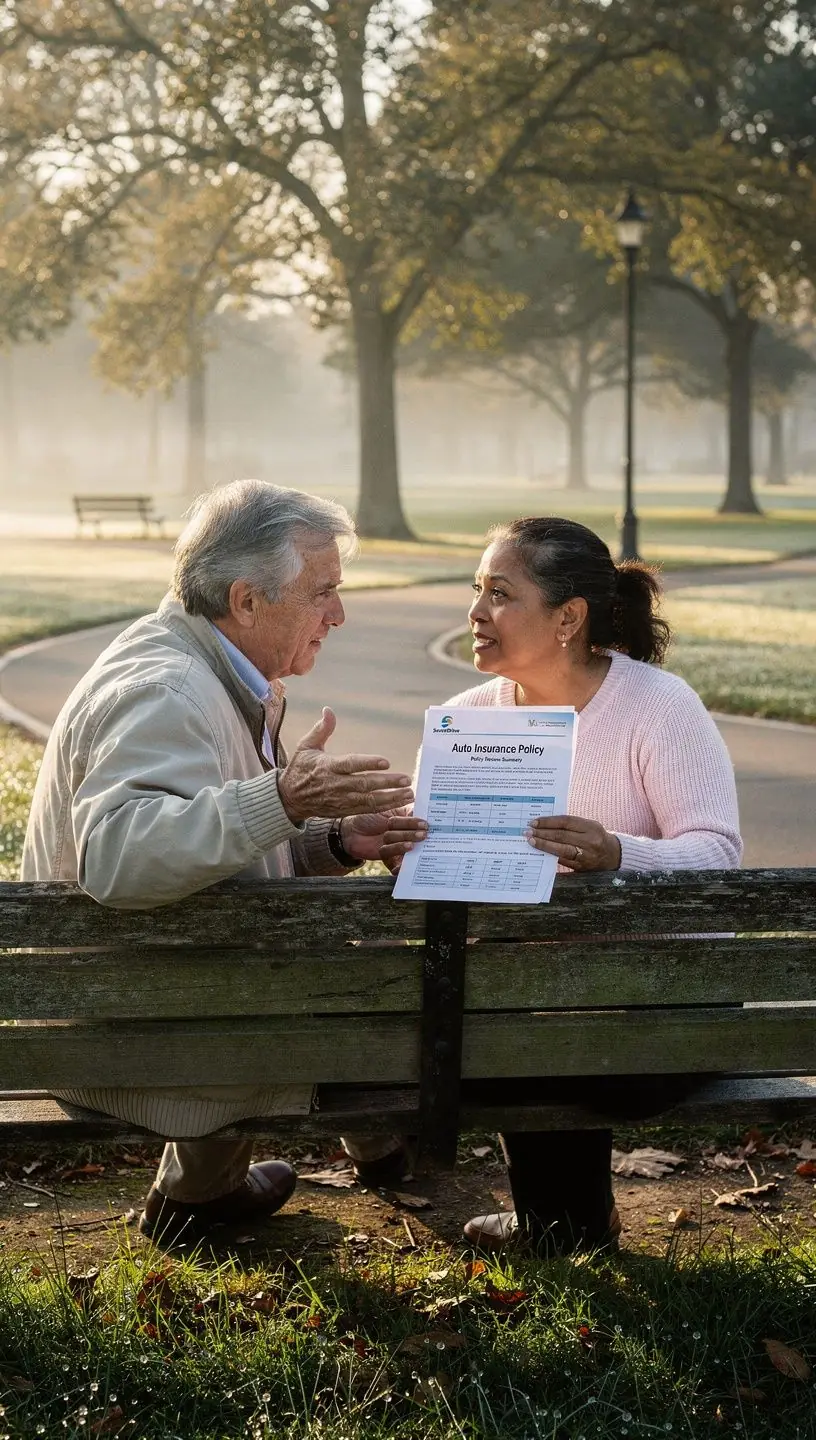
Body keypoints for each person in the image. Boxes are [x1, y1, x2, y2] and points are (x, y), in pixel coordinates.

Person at [21, 479, 414, 1245]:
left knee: (326, 961)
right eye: (323, 592)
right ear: (246, 601)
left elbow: (211, 850)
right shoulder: (165, 689)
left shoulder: (200, 663)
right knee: (399, 989)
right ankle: (387, 1144)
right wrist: (283, 800)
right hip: (132, 1030)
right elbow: (122, 856)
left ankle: (201, 1195)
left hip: (155, 988)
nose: (338, 614)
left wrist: (327, 841)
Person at [381, 515, 742, 1256]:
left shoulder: (658, 706)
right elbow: (444, 872)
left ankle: (562, 1224)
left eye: (501, 594)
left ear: (568, 619)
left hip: (657, 1015)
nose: (475, 614)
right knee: (520, 1024)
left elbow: (717, 856)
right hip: (533, 1005)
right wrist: (410, 853)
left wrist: (617, 853)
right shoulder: (465, 719)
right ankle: (565, 1225)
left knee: (533, 1034)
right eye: (477, 591)